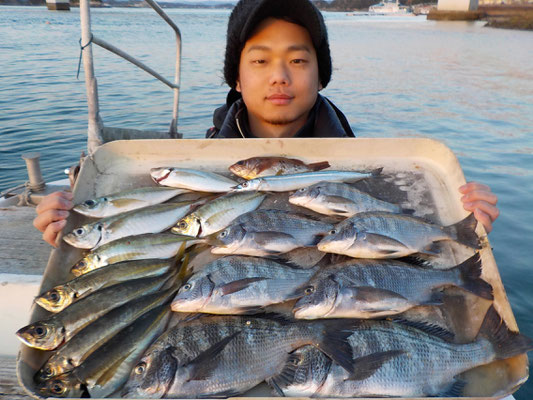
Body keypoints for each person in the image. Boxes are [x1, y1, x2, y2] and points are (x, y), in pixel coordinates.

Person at [33, 0, 499, 247]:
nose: (279, 75)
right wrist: (75, 229)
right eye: (260, 60)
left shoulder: (378, 170)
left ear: (321, 75)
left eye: (298, 59)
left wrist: (459, 223)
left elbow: (401, 245)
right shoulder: (195, 175)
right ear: (236, 76)